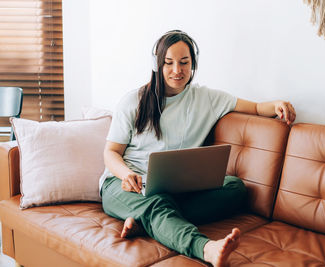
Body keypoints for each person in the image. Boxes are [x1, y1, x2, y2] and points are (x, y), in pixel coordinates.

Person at [100, 30, 296, 267]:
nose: (177, 70)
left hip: (172, 188)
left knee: (235, 188)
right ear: (156, 64)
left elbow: (255, 108)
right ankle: (205, 248)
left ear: (193, 64)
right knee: (157, 203)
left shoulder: (206, 98)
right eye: (169, 63)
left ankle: (147, 223)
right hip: (123, 186)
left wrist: (276, 104)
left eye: (184, 63)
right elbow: (111, 153)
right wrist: (126, 175)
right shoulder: (134, 101)